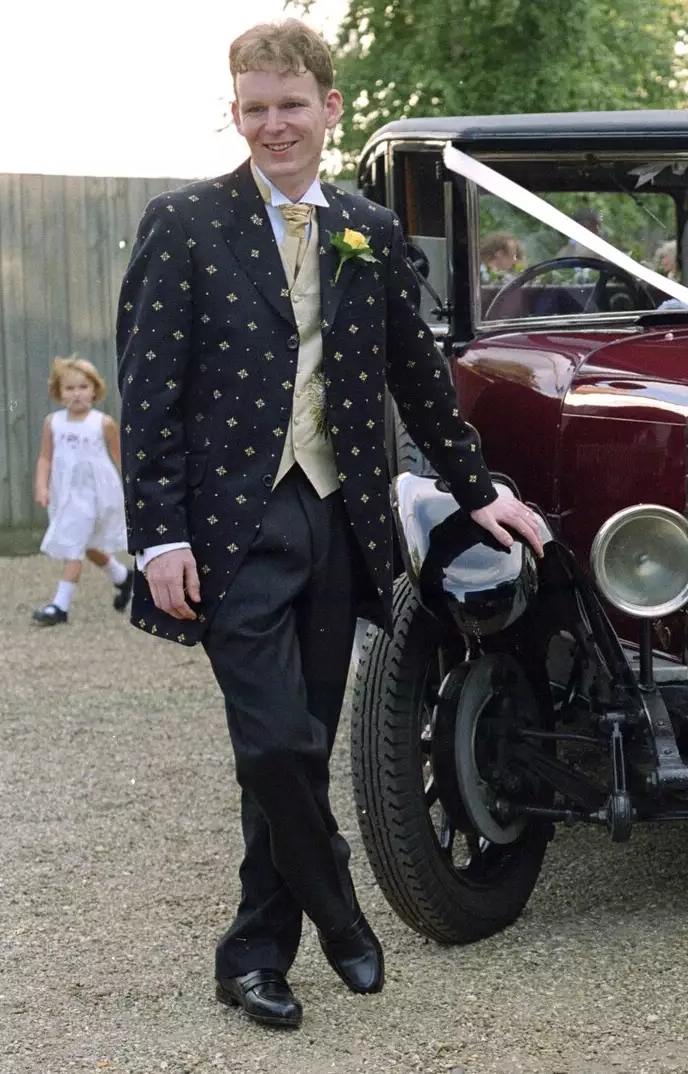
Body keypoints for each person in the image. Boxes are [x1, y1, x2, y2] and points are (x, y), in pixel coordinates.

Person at [117, 19, 542, 1031]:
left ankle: (254, 955)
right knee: (269, 743)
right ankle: (339, 903)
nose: (274, 126)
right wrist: (159, 537)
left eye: (291, 106)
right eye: (255, 108)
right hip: (229, 530)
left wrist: (477, 488)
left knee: (300, 750)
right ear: (236, 113)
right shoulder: (184, 224)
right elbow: (148, 394)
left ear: (329, 109)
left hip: (336, 520)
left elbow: (416, 377)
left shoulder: (368, 230)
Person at [31, 357, 132, 625]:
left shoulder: (103, 423)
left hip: (96, 494)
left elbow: (119, 455)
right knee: (86, 545)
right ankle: (123, 576)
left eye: (83, 387)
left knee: (74, 547)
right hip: (66, 493)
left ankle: (59, 606)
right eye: (70, 388)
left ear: (95, 390)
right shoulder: (53, 423)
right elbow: (45, 458)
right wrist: (41, 486)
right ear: (59, 393)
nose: (77, 394)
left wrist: (134, 487)